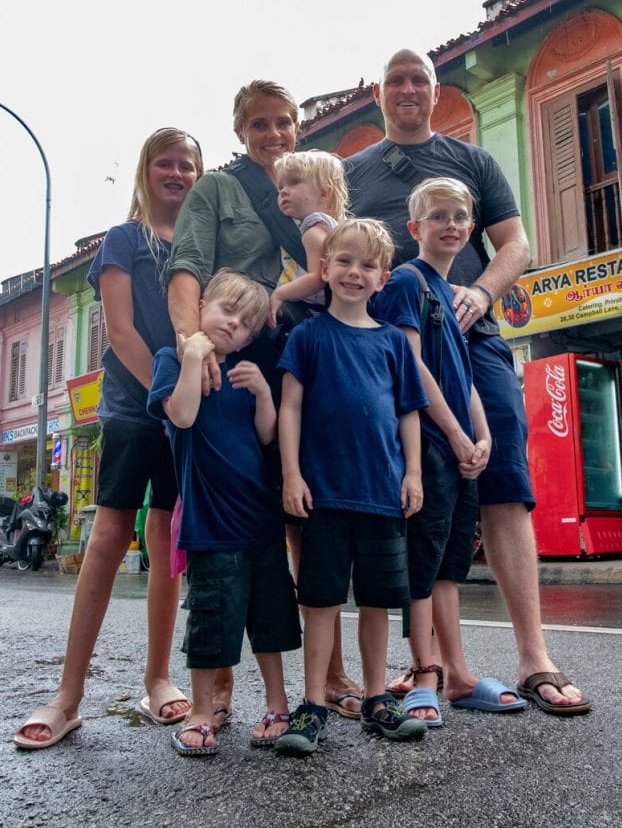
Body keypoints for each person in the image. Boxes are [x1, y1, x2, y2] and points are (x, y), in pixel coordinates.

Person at [346, 48, 591, 715]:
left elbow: (517, 243)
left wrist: (481, 292)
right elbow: (329, 252)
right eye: (395, 80)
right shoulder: (351, 173)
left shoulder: (473, 161)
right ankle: (428, 663)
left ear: (434, 91)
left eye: (418, 79)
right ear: (378, 93)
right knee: (413, 493)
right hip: (387, 347)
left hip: (473, 338)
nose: (407, 89)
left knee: (502, 475)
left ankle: (534, 656)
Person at [167, 81, 365, 721]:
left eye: (283, 122)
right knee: (230, 522)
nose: (272, 134)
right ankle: (218, 687)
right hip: (234, 356)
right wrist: (192, 344)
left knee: (306, 507)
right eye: (259, 124)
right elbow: (187, 267)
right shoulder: (218, 191)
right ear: (239, 130)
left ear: (298, 127)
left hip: (302, 353)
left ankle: (328, 671)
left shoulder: (312, 189)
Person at [14, 127, 203, 750]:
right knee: (109, 534)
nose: (177, 174)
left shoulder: (204, 243)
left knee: (166, 536)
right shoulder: (125, 240)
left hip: (187, 409)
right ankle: (69, 696)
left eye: (188, 165)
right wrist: (168, 399)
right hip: (135, 407)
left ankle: (158, 681)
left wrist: (190, 401)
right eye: (166, 164)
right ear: (146, 172)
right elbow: (119, 332)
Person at [274, 219, 429, 756]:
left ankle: (377, 699)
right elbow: (289, 407)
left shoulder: (392, 342)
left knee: (378, 602)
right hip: (323, 495)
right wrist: (291, 475)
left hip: (382, 493)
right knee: (318, 602)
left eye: (367, 265)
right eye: (344, 261)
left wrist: (413, 473)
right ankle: (313, 704)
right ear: (324, 269)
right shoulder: (307, 335)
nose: (354, 273)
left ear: (383, 278)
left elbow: (409, 411)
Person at [374, 177, 526, 722]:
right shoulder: (406, 283)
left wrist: (482, 436)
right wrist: (458, 437)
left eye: (461, 217)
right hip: (431, 447)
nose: (452, 225)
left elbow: (464, 381)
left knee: (449, 566)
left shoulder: (452, 293)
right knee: (421, 562)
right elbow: (411, 369)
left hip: (461, 448)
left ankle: (458, 675)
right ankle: (424, 673)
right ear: (414, 229)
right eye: (438, 216)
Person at [148, 270, 301, 755]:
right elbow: (183, 415)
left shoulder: (244, 371)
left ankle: (278, 705)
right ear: (203, 306)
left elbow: (265, 436)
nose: (233, 325)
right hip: (210, 524)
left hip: (260, 522)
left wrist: (262, 395)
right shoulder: (172, 360)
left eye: (245, 324)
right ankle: (200, 710)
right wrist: (192, 354)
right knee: (211, 624)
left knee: (270, 619)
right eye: (226, 311)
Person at [267, 149, 349, 328]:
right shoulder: (333, 225)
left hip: (318, 311)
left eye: (294, 182)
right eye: (280, 187)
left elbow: (318, 278)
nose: (283, 191)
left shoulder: (313, 231)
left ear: (324, 193)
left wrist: (280, 294)